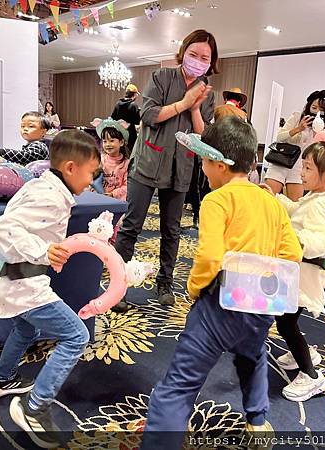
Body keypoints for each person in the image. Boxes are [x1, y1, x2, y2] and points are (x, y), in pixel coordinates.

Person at [140, 116, 303, 450]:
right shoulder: (271, 202)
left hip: (220, 305)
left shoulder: (216, 200)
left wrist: (195, 289)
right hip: (261, 304)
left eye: (203, 161)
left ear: (218, 163)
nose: (202, 167)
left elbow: (211, 257)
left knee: (180, 384)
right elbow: (293, 253)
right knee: (253, 356)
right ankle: (257, 422)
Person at [0, 130, 100, 449]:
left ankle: (0, 380)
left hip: (18, 277)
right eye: (91, 173)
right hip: (22, 282)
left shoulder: (46, 187)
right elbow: (6, 228)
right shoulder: (47, 195)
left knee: (25, 327)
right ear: (71, 168)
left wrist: (47, 251)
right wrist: (42, 251)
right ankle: (35, 407)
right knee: (77, 335)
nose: (92, 182)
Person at [113, 29, 217, 312]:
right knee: (132, 225)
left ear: (211, 62)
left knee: (171, 229)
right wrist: (182, 104)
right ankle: (118, 285)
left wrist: (194, 109)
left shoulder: (208, 93)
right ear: (183, 53)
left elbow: (204, 135)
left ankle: (165, 282)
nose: (197, 60)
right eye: (193, 54)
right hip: (149, 160)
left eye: (204, 57)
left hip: (180, 166)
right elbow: (149, 115)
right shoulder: (162, 78)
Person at [274, 130, 325, 402]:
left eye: (308, 168)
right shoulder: (315, 197)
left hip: (304, 271)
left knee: (286, 322)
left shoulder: (322, 204)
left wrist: (299, 241)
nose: (302, 173)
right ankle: (305, 353)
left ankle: (311, 376)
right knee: (288, 319)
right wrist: (276, 199)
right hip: (300, 270)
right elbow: (297, 211)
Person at [264, 90, 325, 200]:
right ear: (309, 106)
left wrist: (320, 133)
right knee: (267, 199)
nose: (317, 112)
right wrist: (299, 128)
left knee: (295, 205)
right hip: (281, 161)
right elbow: (279, 137)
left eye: (321, 110)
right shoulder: (297, 117)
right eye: (314, 107)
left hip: (300, 168)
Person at [94, 118, 130, 243]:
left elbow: (127, 186)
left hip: (116, 204)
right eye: (104, 141)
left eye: (111, 140)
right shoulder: (100, 159)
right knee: (97, 230)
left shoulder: (126, 164)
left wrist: (113, 194)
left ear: (121, 142)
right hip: (99, 201)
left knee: (113, 232)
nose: (107, 144)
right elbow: (92, 178)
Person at [111, 83, 141, 151]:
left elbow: (113, 118)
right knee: (130, 153)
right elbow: (137, 122)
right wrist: (138, 111)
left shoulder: (118, 104)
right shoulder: (134, 105)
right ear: (134, 94)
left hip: (119, 132)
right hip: (130, 134)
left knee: (120, 152)